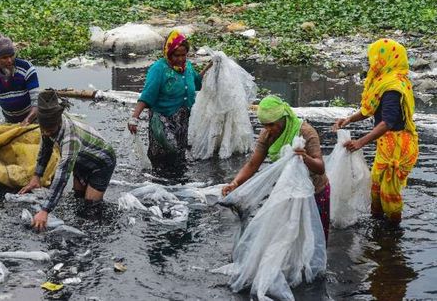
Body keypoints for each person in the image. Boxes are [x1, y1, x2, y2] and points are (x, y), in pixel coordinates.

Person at [332, 38, 418, 226]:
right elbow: (370, 110)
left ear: (385, 59)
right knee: (376, 187)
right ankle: (377, 223)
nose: (371, 62)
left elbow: (387, 122)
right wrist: (349, 119)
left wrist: (360, 142)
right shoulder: (384, 81)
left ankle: (393, 233)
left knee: (390, 193)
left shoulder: (392, 88)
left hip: (397, 147)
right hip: (385, 143)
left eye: (374, 58)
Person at [222, 95, 331, 241]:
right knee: (287, 238)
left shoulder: (305, 132)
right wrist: (235, 183)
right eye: (264, 125)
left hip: (314, 191)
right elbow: (253, 165)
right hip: (287, 192)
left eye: (272, 124)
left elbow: (320, 167)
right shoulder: (266, 135)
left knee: (315, 237)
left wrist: (304, 157)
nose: (268, 129)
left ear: (283, 118)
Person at [19, 89, 116, 231]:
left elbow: (62, 176)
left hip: (101, 162)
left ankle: (99, 232)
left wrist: (45, 210)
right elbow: (45, 149)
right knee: (78, 199)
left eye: (49, 130)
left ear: (57, 122)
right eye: (44, 129)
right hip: (81, 159)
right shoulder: (46, 124)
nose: (46, 133)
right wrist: (36, 177)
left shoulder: (70, 137)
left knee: (91, 207)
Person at [127, 30, 211, 165]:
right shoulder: (159, 69)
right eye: (176, 55)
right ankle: (157, 181)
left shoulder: (187, 67)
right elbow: (147, 94)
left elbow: (196, 83)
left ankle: (177, 184)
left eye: (184, 55)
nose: (181, 59)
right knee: (167, 152)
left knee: (179, 154)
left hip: (182, 118)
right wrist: (134, 117)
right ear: (168, 52)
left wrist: (209, 68)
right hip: (162, 118)